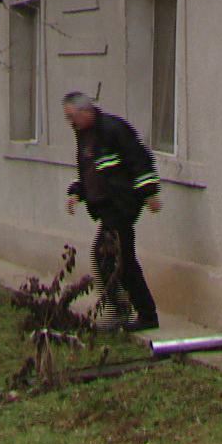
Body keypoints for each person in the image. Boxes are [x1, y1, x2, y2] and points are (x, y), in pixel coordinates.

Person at [62, 91, 164, 331]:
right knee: (112, 259)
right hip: (106, 206)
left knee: (116, 259)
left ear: (87, 111)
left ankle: (139, 314)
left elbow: (139, 159)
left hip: (122, 204)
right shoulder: (84, 135)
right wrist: (77, 191)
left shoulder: (112, 128)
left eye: (72, 117)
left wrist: (150, 192)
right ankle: (123, 312)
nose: (71, 123)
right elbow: (91, 171)